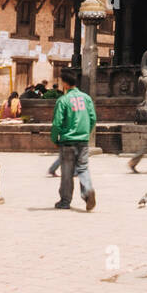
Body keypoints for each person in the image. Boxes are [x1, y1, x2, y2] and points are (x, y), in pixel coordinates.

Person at [50, 70, 97, 211]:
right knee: (82, 168)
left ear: (64, 83)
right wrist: (86, 133)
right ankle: (88, 190)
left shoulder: (63, 100)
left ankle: (65, 201)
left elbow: (57, 123)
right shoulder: (86, 98)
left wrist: (55, 139)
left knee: (67, 172)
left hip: (67, 141)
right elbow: (93, 118)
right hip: (83, 140)